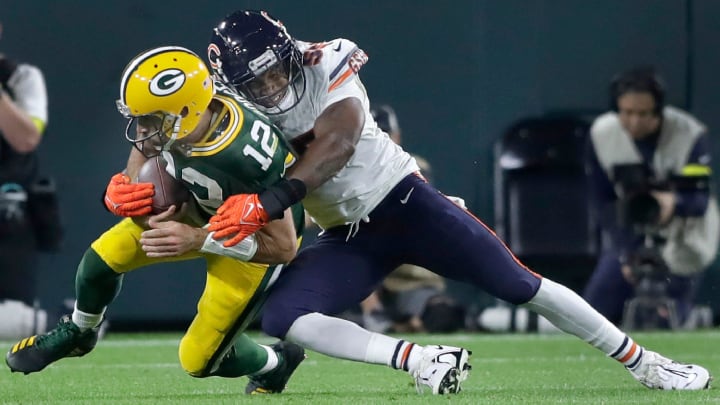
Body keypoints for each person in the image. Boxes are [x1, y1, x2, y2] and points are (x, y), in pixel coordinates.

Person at [206, 9, 711, 391]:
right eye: (258, 82)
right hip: (346, 234)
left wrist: (270, 201)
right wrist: (142, 178)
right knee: (284, 317)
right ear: (233, 83)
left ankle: (646, 363)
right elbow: (182, 139)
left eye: (278, 73)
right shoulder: (228, 106)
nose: (273, 88)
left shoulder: (328, 58)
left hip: (406, 203)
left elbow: (337, 144)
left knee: (522, 286)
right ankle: (421, 361)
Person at [5, 46, 308, 394]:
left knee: (199, 360)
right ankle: (80, 331)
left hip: (252, 237)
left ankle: (276, 362)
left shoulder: (245, 156)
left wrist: (198, 238)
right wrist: (127, 184)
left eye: (150, 119)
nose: (141, 129)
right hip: (193, 210)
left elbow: (283, 248)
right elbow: (148, 143)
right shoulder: (185, 118)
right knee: (100, 261)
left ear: (186, 112)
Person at [583, 66, 719, 328]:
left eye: (643, 114)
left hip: (683, 236)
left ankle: (692, 317)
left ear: (658, 111)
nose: (634, 122)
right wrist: (626, 252)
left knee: (666, 320)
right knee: (593, 315)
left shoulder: (690, 134)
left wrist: (672, 203)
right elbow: (602, 202)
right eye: (627, 113)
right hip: (630, 230)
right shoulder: (602, 134)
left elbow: (699, 201)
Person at [359, 104, 455, 334]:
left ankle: (401, 322)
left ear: (397, 136)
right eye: (375, 135)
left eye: (385, 135)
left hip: (408, 278)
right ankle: (375, 315)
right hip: (365, 277)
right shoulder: (348, 170)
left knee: (440, 316)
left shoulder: (413, 166)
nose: (380, 142)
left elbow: (407, 213)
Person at [0, 22, 51, 339]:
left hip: (10, 211)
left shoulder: (22, 77)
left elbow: (26, 139)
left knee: (14, 319)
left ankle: (49, 322)